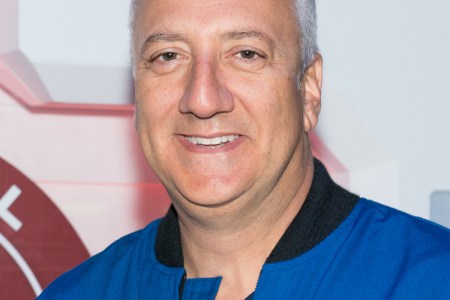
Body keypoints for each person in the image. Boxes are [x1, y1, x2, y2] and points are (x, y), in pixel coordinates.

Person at [38, 0, 450, 299]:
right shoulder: (78, 294)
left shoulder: (433, 280)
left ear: (308, 91)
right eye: (168, 56)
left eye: (246, 53)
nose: (201, 99)